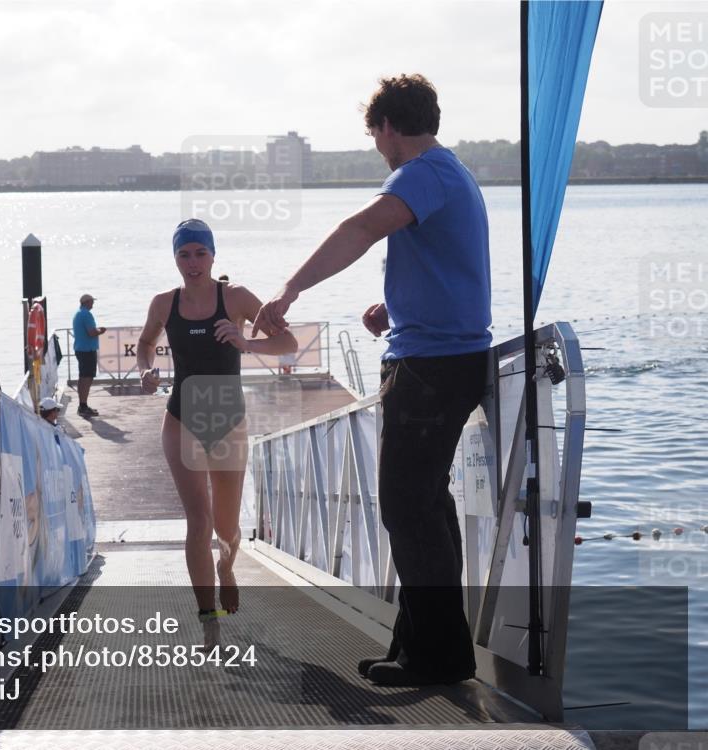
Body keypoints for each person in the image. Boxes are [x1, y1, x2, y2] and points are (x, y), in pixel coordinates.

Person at [252, 74, 491, 687]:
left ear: (388, 127)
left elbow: (359, 230)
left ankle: (438, 656)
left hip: (431, 370)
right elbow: (448, 261)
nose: (376, 146)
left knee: (408, 508)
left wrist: (290, 288)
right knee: (425, 507)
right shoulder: (452, 174)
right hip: (440, 356)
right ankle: (423, 647)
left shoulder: (421, 174)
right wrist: (396, 309)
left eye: (374, 134)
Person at [137, 219, 297, 622]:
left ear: (212, 255)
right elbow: (145, 343)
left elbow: (288, 343)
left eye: (200, 253)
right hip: (181, 417)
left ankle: (226, 568)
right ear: (175, 257)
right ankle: (207, 615)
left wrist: (246, 342)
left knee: (226, 528)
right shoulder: (163, 303)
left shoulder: (237, 297)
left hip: (227, 419)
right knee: (199, 520)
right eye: (184, 254)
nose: (193, 263)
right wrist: (145, 369)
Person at [72, 293, 106, 417]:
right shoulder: (86, 314)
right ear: (86, 302)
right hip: (87, 350)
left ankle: (82, 404)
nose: (93, 304)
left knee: (82, 377)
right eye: (92, 301)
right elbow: (91, 332)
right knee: (87, 378)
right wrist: (101, 330)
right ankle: (83, 405)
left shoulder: (78, 313)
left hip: (80, 349)